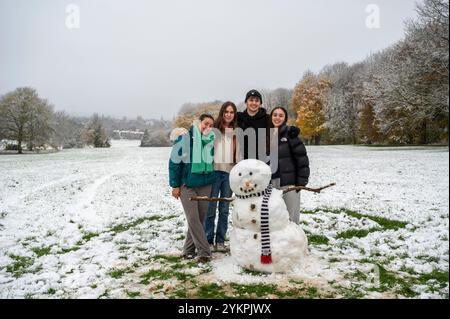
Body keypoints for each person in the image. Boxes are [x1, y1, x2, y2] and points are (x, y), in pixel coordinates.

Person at [168, 114, 216, 263]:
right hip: (187, 185)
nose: (208, 127)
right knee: (193, 219)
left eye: (211, 125)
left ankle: (188, 250)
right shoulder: (185, 139)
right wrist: (175, 185)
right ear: (198, 123)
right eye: (205, 124)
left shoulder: (212, 141)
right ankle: (204, 252)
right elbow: (174, 163)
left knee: (199, 220)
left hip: (206, 184)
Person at [204, 102, 238, 252]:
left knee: (224, 209)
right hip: (214, 172)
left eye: (231, 112)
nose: (229, 114)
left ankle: (220, 240)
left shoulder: (237, 132)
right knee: (210, 208)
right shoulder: (214, 130)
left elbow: (239, 153)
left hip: (228, 173)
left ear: (234, 114)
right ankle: (208, 239)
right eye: (226, 111)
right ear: (222, 113)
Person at [267, 107, 310, 224]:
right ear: (271, 117)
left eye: (281, 115)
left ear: (285, 118)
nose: (277, 117)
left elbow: (302, 159)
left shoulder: (290, 134)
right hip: (271, 182)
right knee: (275, 216)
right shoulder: (266, 135)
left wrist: (301, 181)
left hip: (289, 182)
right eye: (275, 115)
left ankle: (295, 240)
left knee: (290, 216)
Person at [237, 89, 269, 160]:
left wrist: (291, 129)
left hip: (261, 161)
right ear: (246, 102)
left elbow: (280, 126)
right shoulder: (239, 117)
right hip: (243, 161)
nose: (254, 103)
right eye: (251, 100)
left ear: (260, 103)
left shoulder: (267, 118)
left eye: (257, 100)